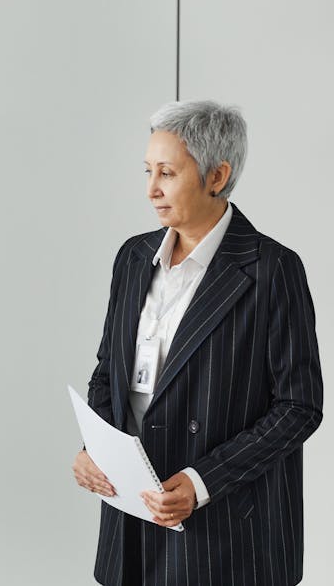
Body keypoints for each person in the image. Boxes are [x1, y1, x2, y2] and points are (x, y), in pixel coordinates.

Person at [72, 101, 323, 586]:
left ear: (217, 176)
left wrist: (202, 481)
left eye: (167, 172)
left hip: (228, 532)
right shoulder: (133, 258)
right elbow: (108, 373)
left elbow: (299, 407)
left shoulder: (272, 268)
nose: (151, 188)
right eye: (148, 171)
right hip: (133, 518)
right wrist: (95, 450)